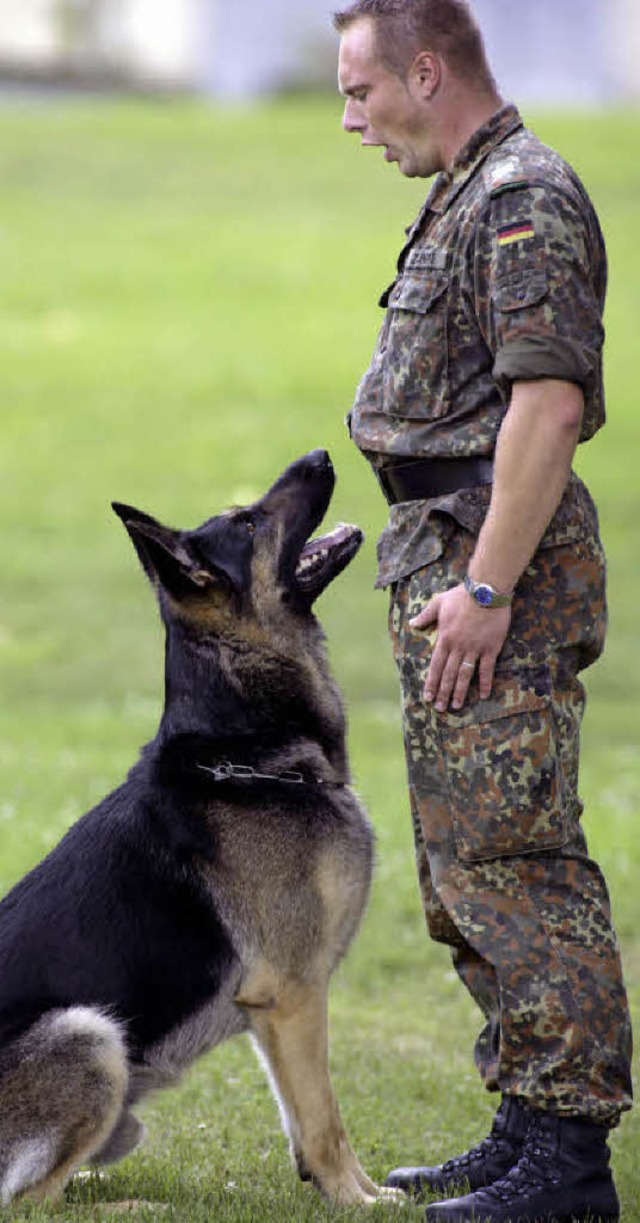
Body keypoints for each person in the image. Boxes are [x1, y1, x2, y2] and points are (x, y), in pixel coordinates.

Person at [333, 2, 633, 1221]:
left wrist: (485, 590)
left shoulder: (520, 195)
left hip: (489, 571)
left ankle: (566, 1164)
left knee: (516, 854)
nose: (351, 119)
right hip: (450, 561)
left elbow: (546, 410)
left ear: (425, 68)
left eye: (361, 91)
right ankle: (524, 1118)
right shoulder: (467, 188)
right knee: (467, 865)